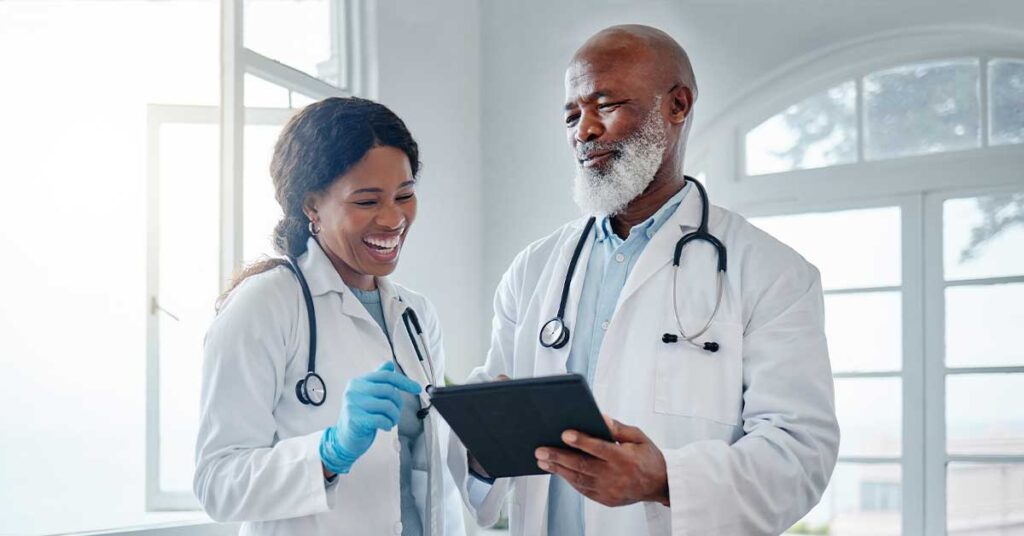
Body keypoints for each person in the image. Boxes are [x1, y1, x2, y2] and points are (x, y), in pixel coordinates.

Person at [464, 25, 840, 535]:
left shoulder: (772, 272)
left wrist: (665, 479)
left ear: (677, 105)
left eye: (606, 105)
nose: (584, 131)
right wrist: (482, 447)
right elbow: (487, 452)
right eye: (572, 115)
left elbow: (800, 454)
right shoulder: (533, 269)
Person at [194, 97, 470, 535]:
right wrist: (329, 452)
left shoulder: (415, 314)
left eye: (404, 195)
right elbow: (217, 483)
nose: (393, 218)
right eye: (367, 201)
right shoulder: (264, 306)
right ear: (311, 207)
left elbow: (424, 474)